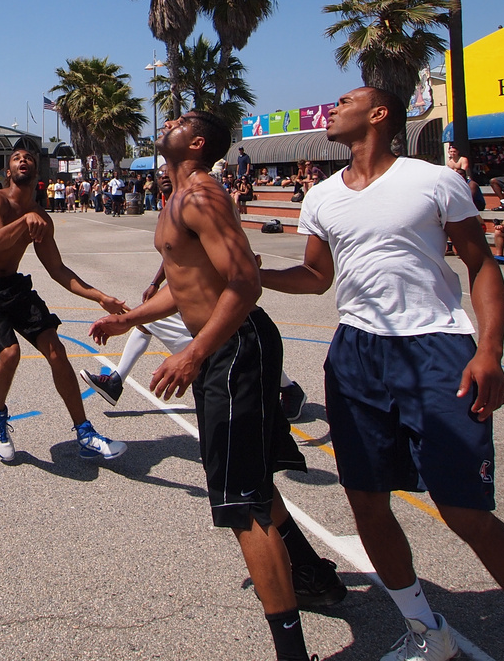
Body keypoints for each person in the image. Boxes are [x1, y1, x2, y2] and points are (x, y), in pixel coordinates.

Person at [261, 87, 504, 661]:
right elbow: (316, 278)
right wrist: (251, 274)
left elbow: (481, 265)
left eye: (346, 100)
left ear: (379, 114)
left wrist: (489, 351)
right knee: (365, 499)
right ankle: (424, 630)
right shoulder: (322, 196)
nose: (333, 108)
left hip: (437, 346)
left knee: (464, 509)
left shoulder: (432, 180)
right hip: (357, 353)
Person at [89, 113, 340, 661]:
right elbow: (187, 286)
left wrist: (195, 353)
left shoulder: (201, 196)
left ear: (196, 144)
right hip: (223, 346)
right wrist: (127, 320)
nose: (169, 121)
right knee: (247, 483)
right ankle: (315, 577)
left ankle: (293, 655)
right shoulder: (174, 198)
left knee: (239, 504)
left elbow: (245, 280)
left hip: (234, 345)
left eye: (179, 121)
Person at [82, 168, 313, 424]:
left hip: (219, 297)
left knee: (225, 346)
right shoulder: (172, 207)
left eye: (168, 170)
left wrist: (250, 273)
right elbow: (174, 257)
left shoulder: (201, 199)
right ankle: (117, 380)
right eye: (160, 173)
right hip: (196, 294)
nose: (164, 175)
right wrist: (155, 283)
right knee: (153, 322)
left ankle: (288, 388)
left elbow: (225, 254)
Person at [0, 146, 126, 464]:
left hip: (14, 287)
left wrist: (100, 296)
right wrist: (25, 223)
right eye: (16, 158)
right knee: (9, 355)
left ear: (37, 172)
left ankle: (85, 432)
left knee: (55, 349)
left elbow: (58, 270)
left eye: (29, 159)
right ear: (8, 172)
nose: (23, 161)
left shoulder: (42, 218)